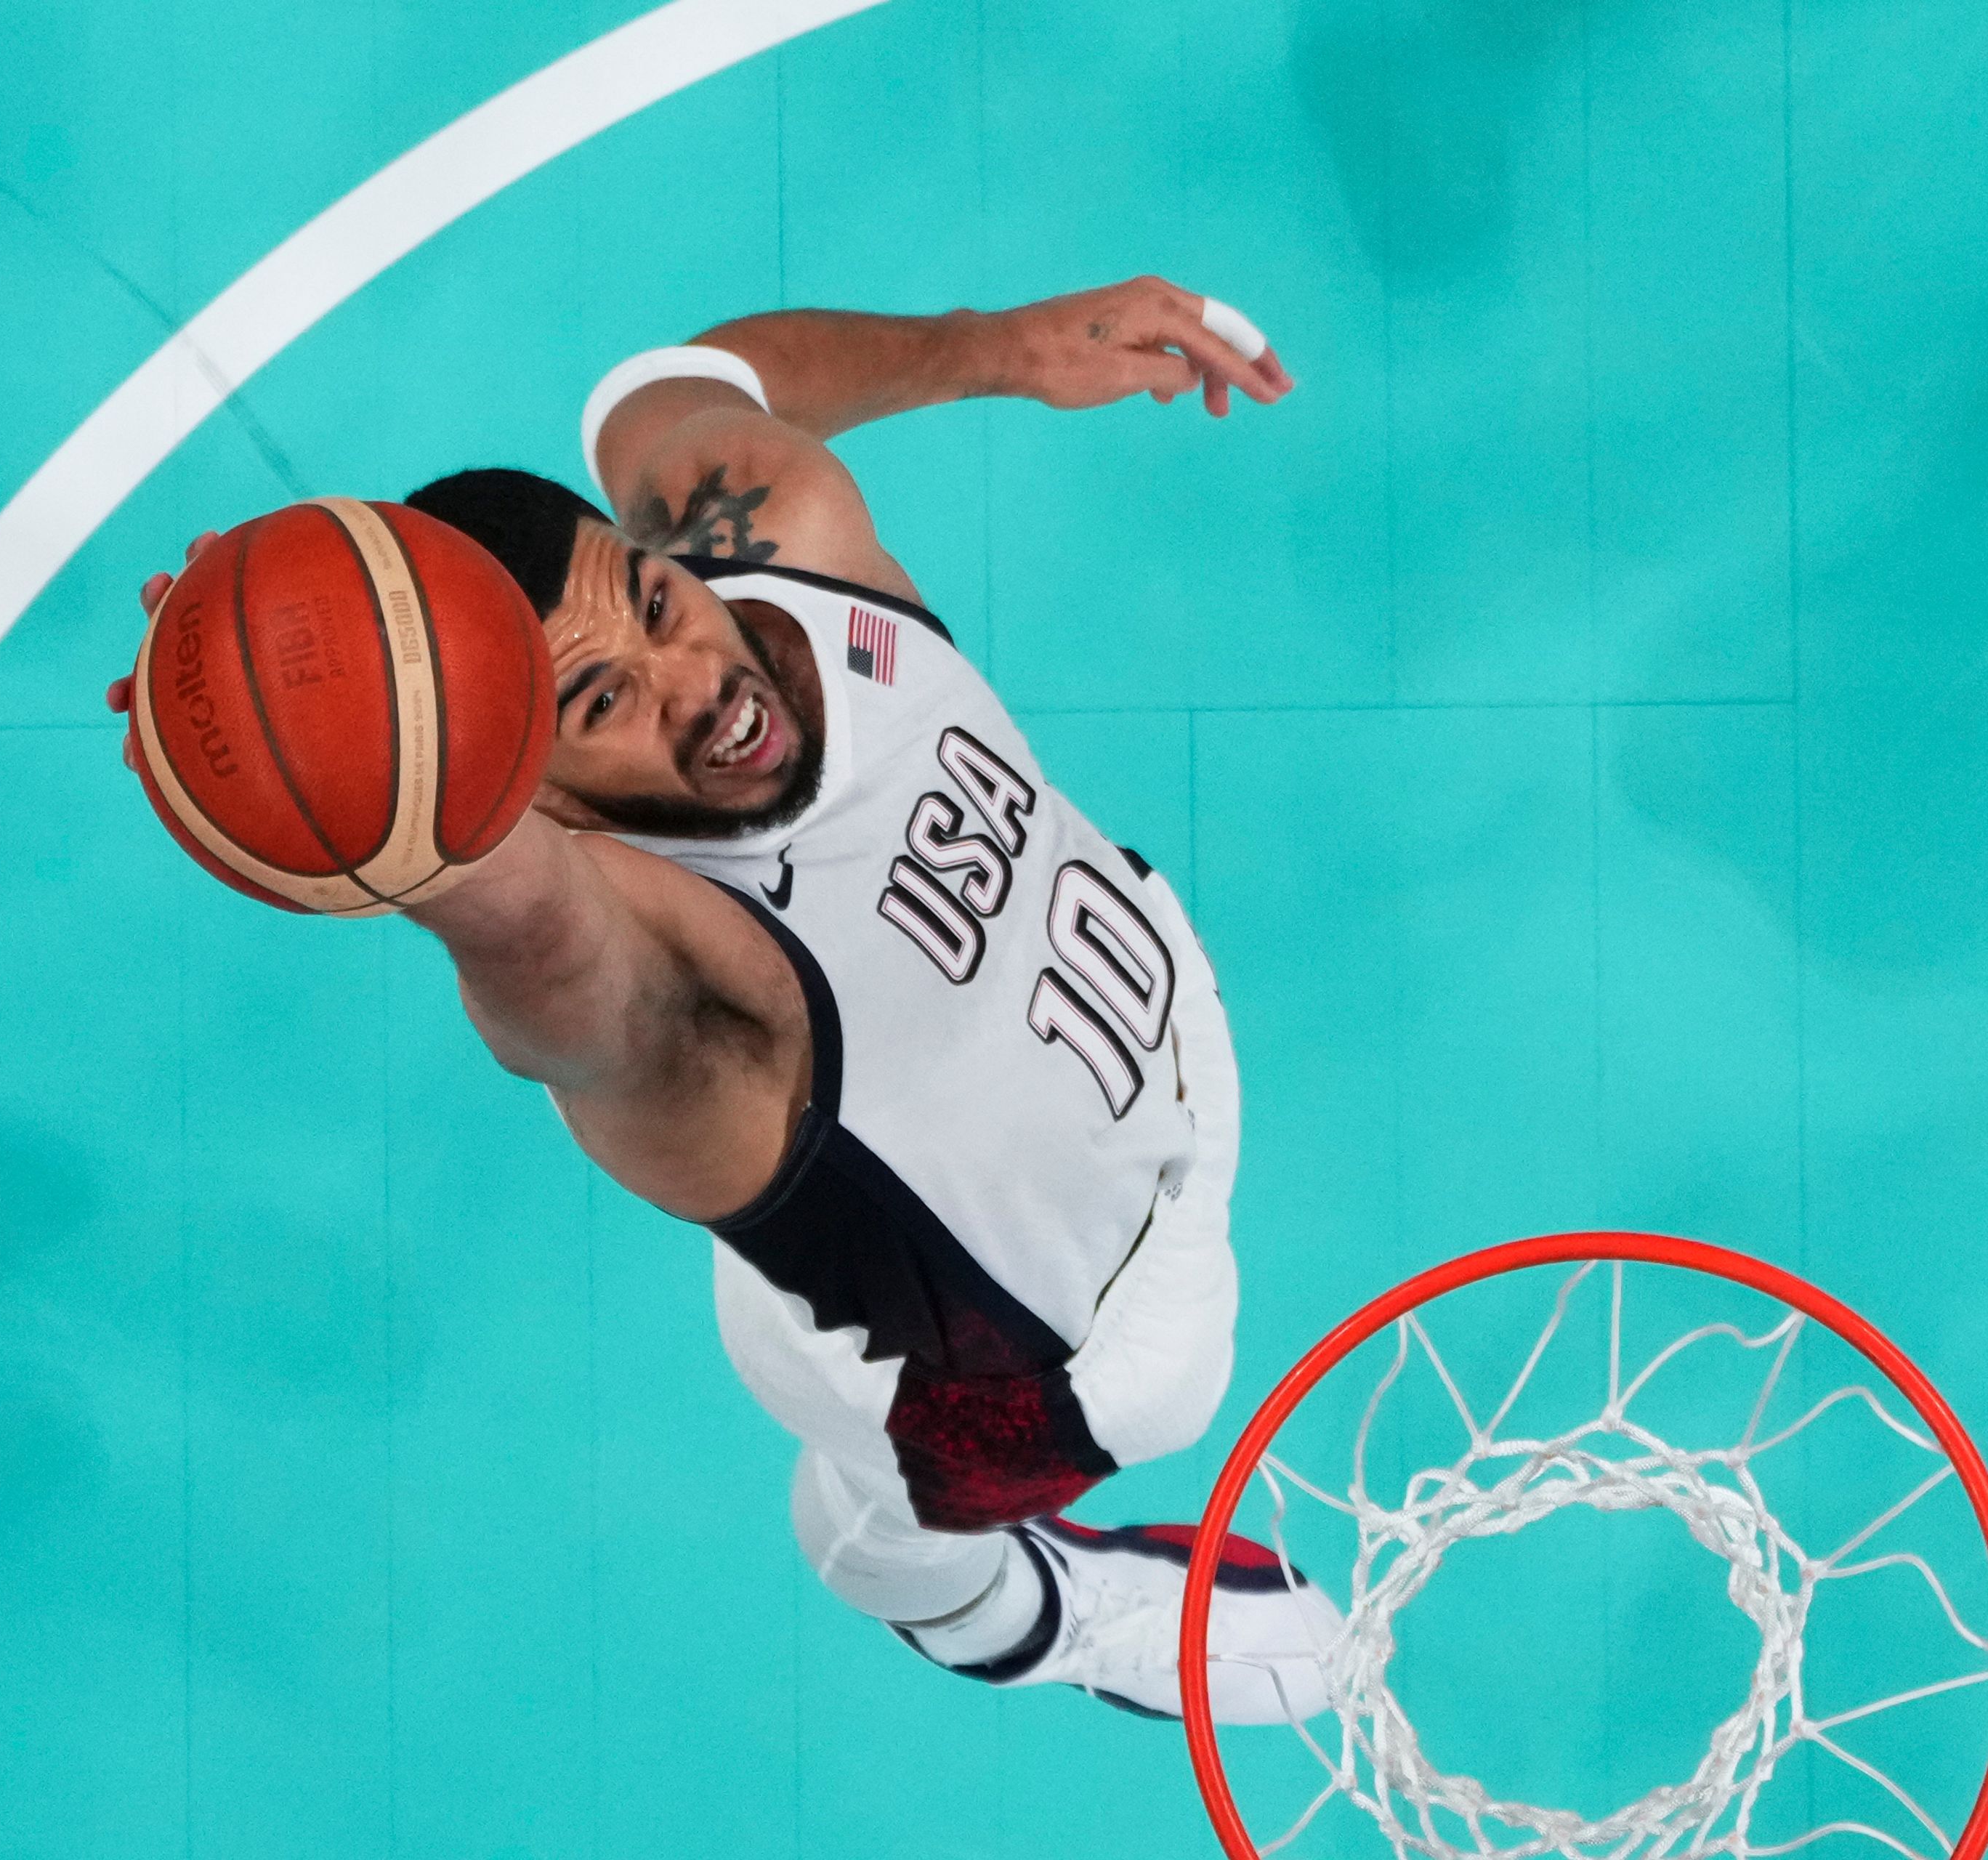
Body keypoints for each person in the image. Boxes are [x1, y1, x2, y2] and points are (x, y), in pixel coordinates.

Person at [112, 278, 1338, 1722]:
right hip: (1043, 1364)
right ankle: (1027, 1622)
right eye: (597, 706)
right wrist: (329, 762)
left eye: (649, 601)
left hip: (1169, 1019)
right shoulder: (667, 995)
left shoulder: (779, 535)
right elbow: (520, 924)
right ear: (530, 791)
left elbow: (668, 379)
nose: (694, 678)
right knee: (882, 1523)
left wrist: (999, 347)